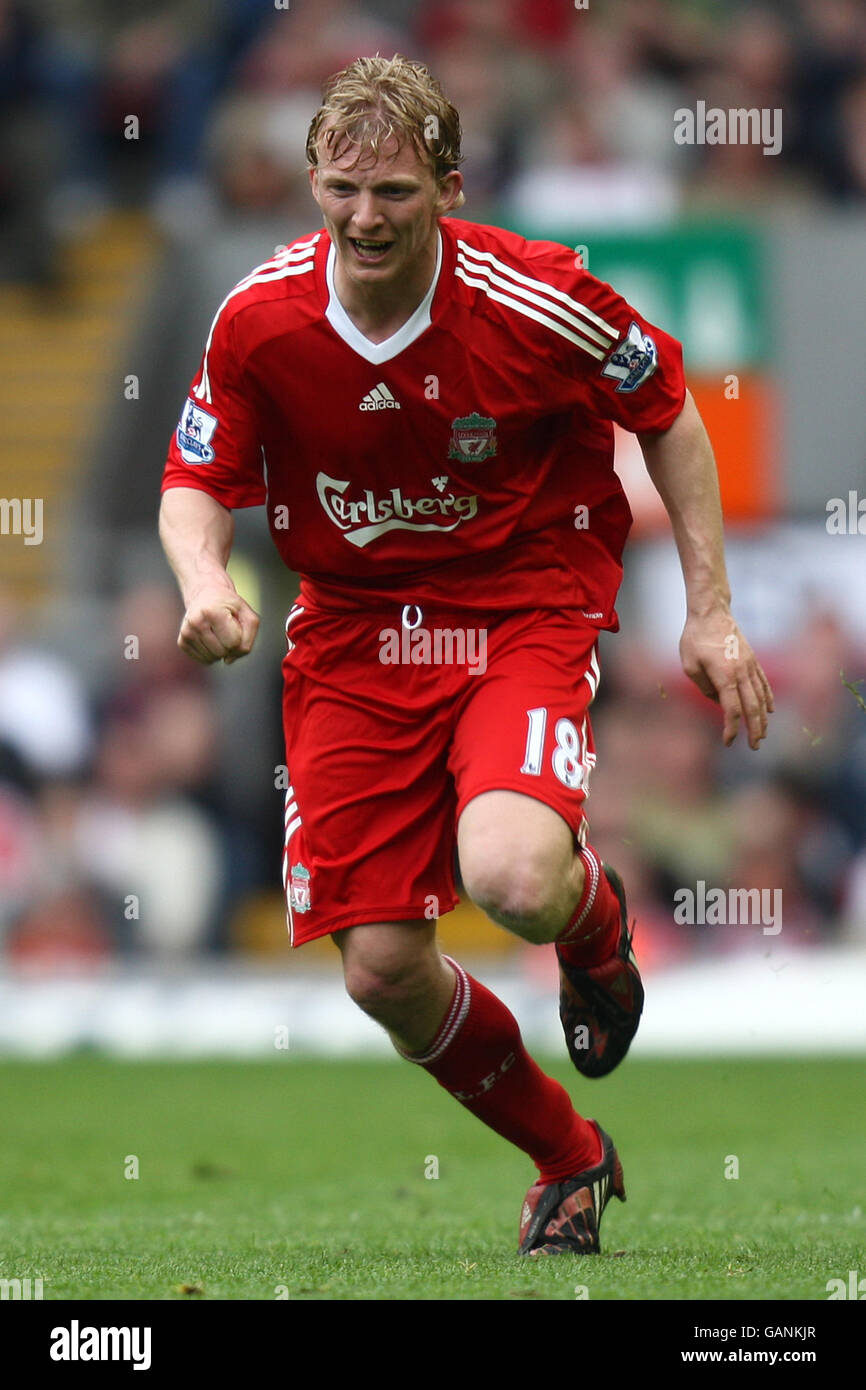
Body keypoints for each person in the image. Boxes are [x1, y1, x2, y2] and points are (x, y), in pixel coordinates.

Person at [159, 54, 774, 1257]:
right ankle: (568, 1153)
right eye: (340, 188)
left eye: (392, 190)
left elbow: (668, 408)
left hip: (517, 611)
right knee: (383, 971)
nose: (363, 216)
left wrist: (707, 609)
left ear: (446, 184)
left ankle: (591, 936)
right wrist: (198, 582)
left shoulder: (536, 297)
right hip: (347, 638)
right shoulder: (259, 319)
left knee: (511, 877)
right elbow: (194, 478)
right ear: (311, 184)